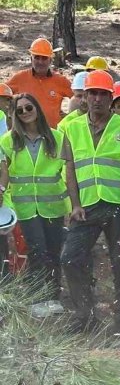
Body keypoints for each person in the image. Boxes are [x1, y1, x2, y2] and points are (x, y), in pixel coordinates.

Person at [60, 70, 120, 332]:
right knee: (70, 258)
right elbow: (70, 169)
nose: (96, 99)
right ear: (84, 97)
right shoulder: (70, 128)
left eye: (102, 94)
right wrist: (74, 204)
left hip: (119, 206)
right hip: (86, 206)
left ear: (110, 98)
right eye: (92, 93)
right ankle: (85, 315)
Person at [0, 93, 70, 298]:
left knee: (54, 251)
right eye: (19, 110)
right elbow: (4, 171)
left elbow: (68, 172)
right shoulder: (8, 141)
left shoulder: (57, 138)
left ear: (37, 109)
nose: (25, 113)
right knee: (38, 250)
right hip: (25, 207)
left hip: (54, 205)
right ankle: (38, 296)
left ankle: (54, 295)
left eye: (28, 108)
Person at [6, 38, 73, 127]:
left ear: (50, 60)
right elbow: (3, 95)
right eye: (37, 57)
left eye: (44, 58)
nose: (40, 62)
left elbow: (80, 99)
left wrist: (70, 117)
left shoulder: (61, 81)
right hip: (27, 136)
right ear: (31, 59)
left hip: (53, 136)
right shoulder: (20, 78)